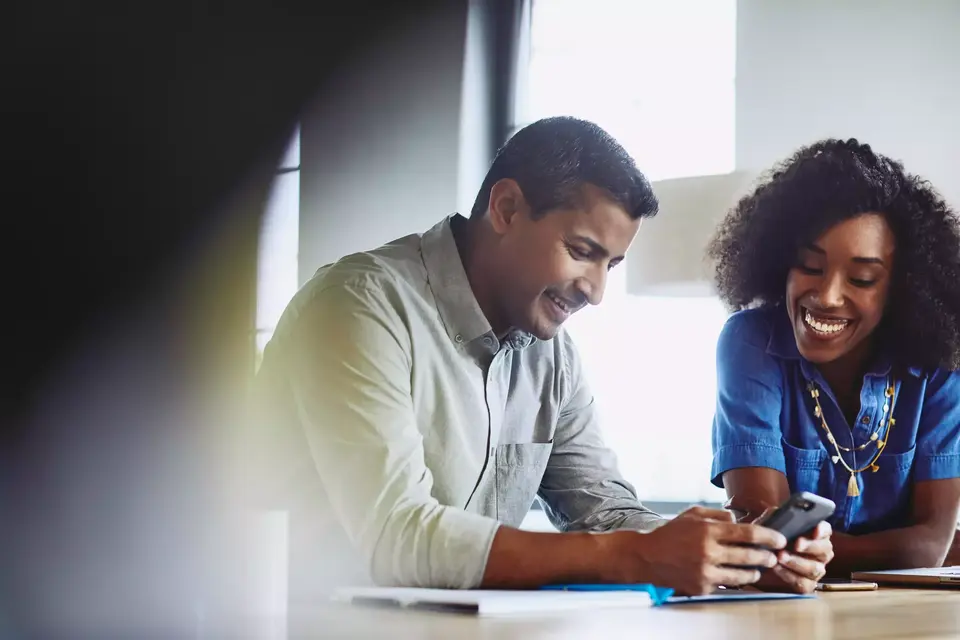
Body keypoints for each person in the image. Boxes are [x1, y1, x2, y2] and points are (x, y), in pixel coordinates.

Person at [246, 116, 833, 600]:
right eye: (582, 252)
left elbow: (603, 510)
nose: (596, 290)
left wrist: (739, 550)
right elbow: (397, 535)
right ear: (505, 209)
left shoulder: (551, 356)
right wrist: (637, 555)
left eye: (612, 265)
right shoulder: (357, 307)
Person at [708, 138, 960, 581]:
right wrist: (893, 547)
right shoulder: (751, 344)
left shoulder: (940, 366)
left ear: (900, 288)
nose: (826, 296)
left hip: (906, 613)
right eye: (809, 265)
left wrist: (810, 550)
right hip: (779, 611)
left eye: (862, 278)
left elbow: (929, 546)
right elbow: (768, 540)